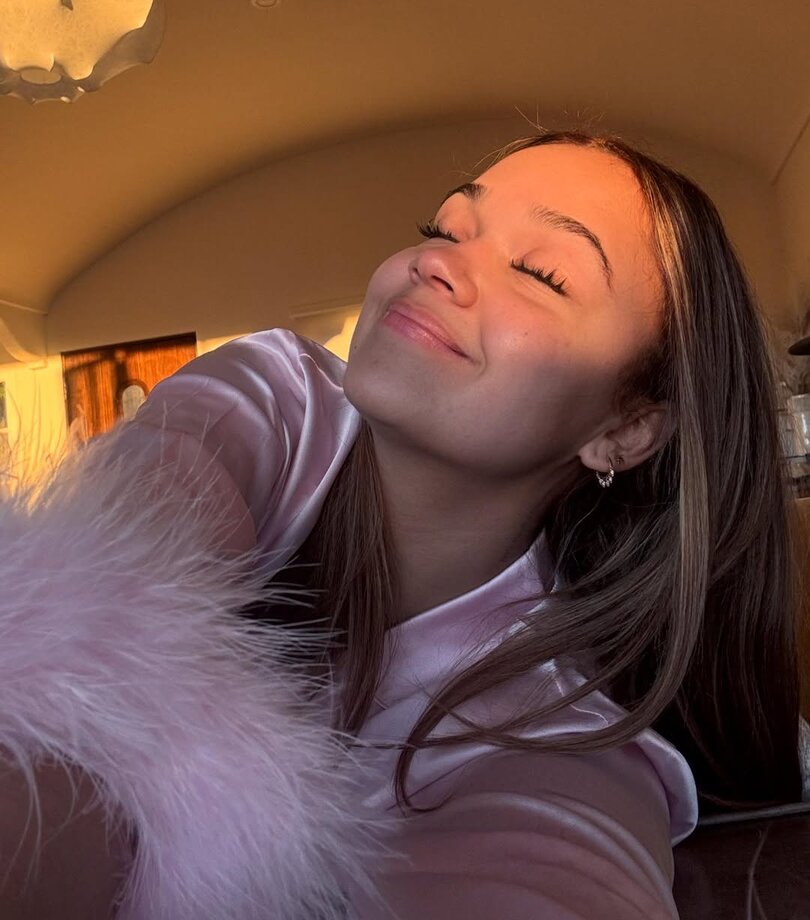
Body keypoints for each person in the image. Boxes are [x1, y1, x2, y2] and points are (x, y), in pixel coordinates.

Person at [0, 128, 803, 919]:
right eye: (445, 228)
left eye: (539, 272)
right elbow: (92, 596)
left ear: (625, 429)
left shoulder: (568, 750)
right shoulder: (272, 396)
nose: (435, 262)